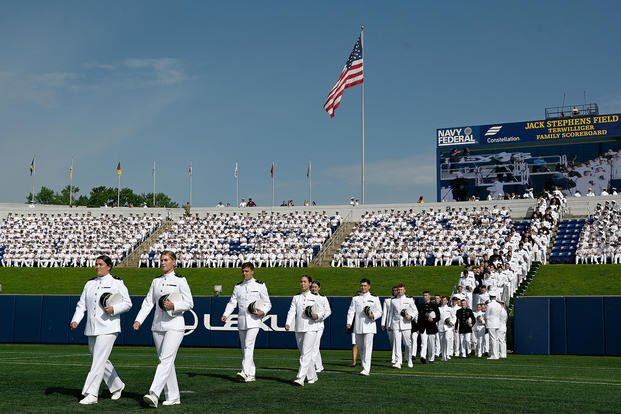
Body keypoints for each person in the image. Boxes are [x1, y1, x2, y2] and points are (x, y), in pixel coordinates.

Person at [134, 251, 194, 408]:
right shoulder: (156, 281)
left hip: (175, 325)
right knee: (166, 362)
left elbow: (189, 303)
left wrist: (175, 305)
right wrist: (139, 320)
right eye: (161, 260)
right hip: (157, 326)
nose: (162, 262)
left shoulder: (180, 280)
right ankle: (173, 397)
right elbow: (148, 303)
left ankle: (154, 393)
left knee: (165, 360)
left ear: (174, 262)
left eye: (166, 260)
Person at [70, 255, 132, 405]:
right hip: (92, 327)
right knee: (100, 360)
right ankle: (117, 386)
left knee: (98, 361)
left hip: (109, 327)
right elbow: (81, 304)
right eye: (96, 264)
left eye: (100, 264)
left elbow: (128, 303)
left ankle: (91, 394)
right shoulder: (89, 283)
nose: (97, 266)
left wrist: (114, 308)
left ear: (109, 266)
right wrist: (75, 319)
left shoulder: (117, 283)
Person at [221, 262, 272, 382]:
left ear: (252, 271)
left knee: (249, 346)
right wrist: (226, 314)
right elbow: (232, 302)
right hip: (242, 321)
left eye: (247, 271)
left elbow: (268, 303)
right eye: (243, 271)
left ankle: (244, 372)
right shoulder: (238, 286)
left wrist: (263, 312)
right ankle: (251, 374)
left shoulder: (260, 285)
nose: (244, 273)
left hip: (254, 320)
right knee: (245, 348)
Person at [285, 275, 324, 386]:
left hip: (312, 328)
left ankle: (300, 378)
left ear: (310, 283)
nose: (302, 284)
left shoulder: (316, 297)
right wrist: (288, 323)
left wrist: (318, 316)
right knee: (304, 353)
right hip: (299, 328)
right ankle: (312, 376)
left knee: (305, 354)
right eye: (301, 282)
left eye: (305, 282)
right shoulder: (296, 297)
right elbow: (291, 311)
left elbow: (323, 312)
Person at [346, 278, 382, 376]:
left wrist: (373, 315)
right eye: (361, 285)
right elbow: (351, 311)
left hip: (369, 326)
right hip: (357, 326)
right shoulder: (355, 298)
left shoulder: (374, 298)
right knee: (361, 348)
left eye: (365, 285)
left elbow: (379, 311)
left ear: (369, 286)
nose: (363, 287)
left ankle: (366, 369)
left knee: (368, 347)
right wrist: (349, 322)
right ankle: (364, 364)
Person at [387, 283, 417, 368]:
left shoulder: (410, 300)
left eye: (401, 289)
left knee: (408, 343)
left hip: (406, 324)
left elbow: (415, 311)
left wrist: (410, 316)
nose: (400, 291)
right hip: (396, 324)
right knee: (397, 343)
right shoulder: (393, 301)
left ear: (405, 290)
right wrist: (389, 324)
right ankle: (398, 361)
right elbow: (391, 313)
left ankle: (409, 358)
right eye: (399, 290)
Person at [310, 281, 331, 373]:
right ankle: (319, 366)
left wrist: (320, 318)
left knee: (315, 345)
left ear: (319, 288)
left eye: (315, 287)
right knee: (313, 346)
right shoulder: (307, 297)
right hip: (309, 325)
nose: (314, 288)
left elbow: (328, 311)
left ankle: (311, 366)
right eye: (312, 287)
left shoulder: (323, 298)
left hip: (319, 325)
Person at [417, 290, 440, 363]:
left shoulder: (434, 306)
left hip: (431, 327)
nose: (425, 297)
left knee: (431, 344)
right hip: (423, 327)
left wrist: (432, 320)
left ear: (429, 296)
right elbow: (418, 318)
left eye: (426, 295)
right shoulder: (420, 306)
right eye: (424, 295)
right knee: (423, 343)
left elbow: (438, 317)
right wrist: (418, 328)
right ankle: (423, 356)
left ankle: (431, 358)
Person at [380, 286, 398, 364]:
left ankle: (394, 358)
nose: (395, 292)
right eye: (393, 290)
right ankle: (396, 355)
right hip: (389, 324)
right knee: (392, 341)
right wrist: (383, 323)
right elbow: (384, 313)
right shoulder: (387, 300)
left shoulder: (402, 300)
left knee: (396, 340)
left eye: (396, 290)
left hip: (398, 324)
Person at [437, 296, 456, 362]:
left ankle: (447, 354)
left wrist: (452, 323)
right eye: (442, 300)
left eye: (444, 300)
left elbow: (454, 317)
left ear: (447, 301)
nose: (443, 301)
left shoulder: (450, 309)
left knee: (447, 340)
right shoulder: (438, 308)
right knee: (442, 342)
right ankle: (443, 356)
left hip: (448, 327)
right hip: (440, 327)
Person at [485, 293, 503, 360]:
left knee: (492, 339)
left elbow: (486, 315)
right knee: (496, 339)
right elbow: (500, 313)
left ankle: (494, 355)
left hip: (491, 323)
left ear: (490, 297)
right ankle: (496, 354)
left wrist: (485, 320)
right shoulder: (498, 305)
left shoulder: (489, 305)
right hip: (497, 323)